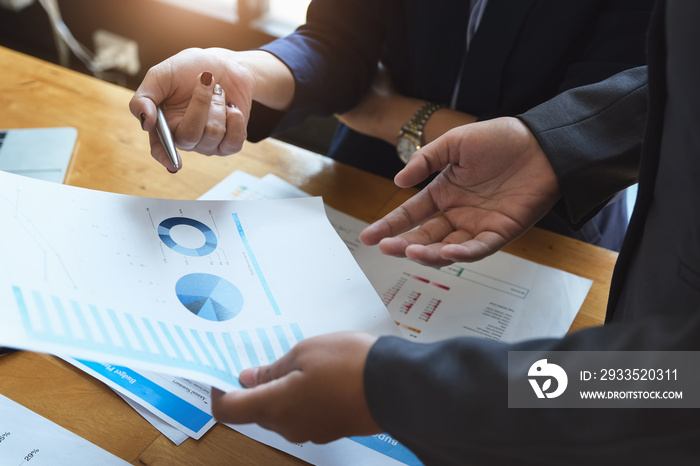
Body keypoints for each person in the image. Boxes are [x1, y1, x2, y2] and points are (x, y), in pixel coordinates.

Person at [209, 1, 699, 464]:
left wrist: (397, 388)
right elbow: (673, 79)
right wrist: (553, 142)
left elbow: (662, 385)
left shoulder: (651, 377)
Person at [129, 0, 653, 251]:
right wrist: (240, 70)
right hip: (370, 184)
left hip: (542, 221)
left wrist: (387, 114)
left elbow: (593, 120)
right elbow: (339, 42)